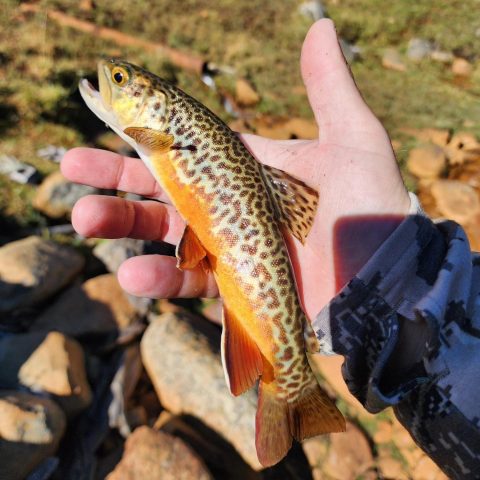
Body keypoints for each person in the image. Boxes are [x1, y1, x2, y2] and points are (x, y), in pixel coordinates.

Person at [62, 19, 480, 478]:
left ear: (156, 110)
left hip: (246, 254)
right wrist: (396, 277)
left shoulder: (154, 137)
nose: (111, 78)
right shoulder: (159, 136)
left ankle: (291, 384)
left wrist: (392, 277)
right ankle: (292, 383)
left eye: (121, 81)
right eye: (119, 79)